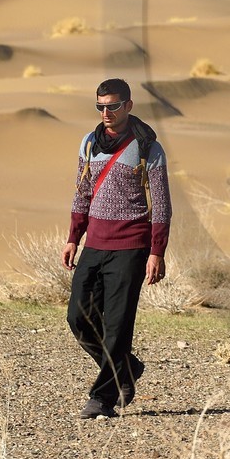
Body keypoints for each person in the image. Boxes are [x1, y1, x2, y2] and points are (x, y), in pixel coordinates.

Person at [63, 79, 171, 419]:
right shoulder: (90, 143)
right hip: (94, 243)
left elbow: (163, 206)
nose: (106, 113)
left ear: (128, 105)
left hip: (131, 247)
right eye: (100, 106)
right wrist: (72, 237)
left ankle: (102, 398)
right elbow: (81, 193)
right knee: (78, 318)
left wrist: (157, 251)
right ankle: (126, 368)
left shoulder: (148, 148)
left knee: (118, 326)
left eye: (112, 106)